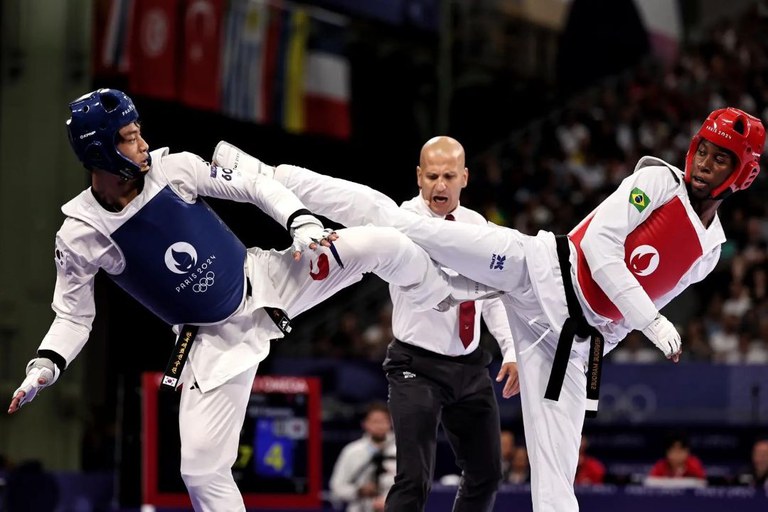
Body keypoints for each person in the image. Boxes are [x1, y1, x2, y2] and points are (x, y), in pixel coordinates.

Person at [242, 106, 765, 511]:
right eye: (704, 151)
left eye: (721, 159)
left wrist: (600, 338)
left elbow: (637, 307)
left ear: (741, 175)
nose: (704, 164)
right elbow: (601, 251)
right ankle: (264, 176)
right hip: (537, 271)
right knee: (397, 222)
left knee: (556, 474)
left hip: (570, 342)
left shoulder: (710, 251)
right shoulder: (656, 182)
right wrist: (651, 322)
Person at [5, 89, 494, 512]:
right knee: (199, 470)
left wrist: (299, 219)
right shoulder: (80, 235)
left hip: (269, 278)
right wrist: (45, 365)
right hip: (211, 340)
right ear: (99, 152)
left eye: (139, 132)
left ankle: (445, 295)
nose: (142, 143)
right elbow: (72, 316)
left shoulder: (175, 169)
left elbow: (255, 184)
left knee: (382, 242)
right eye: (128, 138)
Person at [363, 136, 518, 512]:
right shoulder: (401, 224)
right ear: (419, 177)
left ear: (465, 177)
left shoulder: (476, 224)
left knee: (487, 474)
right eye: (432, 176)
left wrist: (511, 350)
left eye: (449, 175)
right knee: (414, 478)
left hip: (469, 366)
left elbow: (493, 295)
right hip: (416, 367)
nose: (440, 185)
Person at [329, 402, 396, 512]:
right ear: (365, 424)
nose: (379, 425)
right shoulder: (351, 451)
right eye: (375, 421)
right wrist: (359, 491)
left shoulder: (401, 451)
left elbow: (411, 488)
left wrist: (390, 501)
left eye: (384, 421)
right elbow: (336, 487)